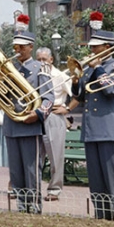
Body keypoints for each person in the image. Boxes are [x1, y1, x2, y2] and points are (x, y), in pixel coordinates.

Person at [67, 17, 114, 222]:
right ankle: (101, 215)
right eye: (92, 48)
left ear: (107, 47)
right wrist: (76, 81)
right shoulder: (89, 70)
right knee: (95, 178)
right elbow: (80, 96)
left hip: (109, 128)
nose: (92, 51)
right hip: (91, 129)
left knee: (113, 177)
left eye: (96, 48)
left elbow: (112, 90)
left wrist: (99, 69)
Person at [0, 21, 52, 214]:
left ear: (31, 47)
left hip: (30, 126)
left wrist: (36, 114)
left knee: (31, 168)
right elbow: (1, 98)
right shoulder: (10, 69)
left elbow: (49, 97)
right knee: (16, 169)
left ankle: (34, 205)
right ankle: (21, 204)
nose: (17, 50)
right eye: (15, 46)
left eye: (21, 46)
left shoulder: (40, 68)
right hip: (12, 125)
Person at [36, 47, 72, 201]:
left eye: (44, 59)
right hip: (36, 116)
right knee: (35, 155)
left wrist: (67, 108)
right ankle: (33, 187)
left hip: (53, 116)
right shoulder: (36, 74)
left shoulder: (60, 76)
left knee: (55, 155)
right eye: (39, 59)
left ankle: (54, 189)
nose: (42, 62)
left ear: (51, 60)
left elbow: (77, 94)